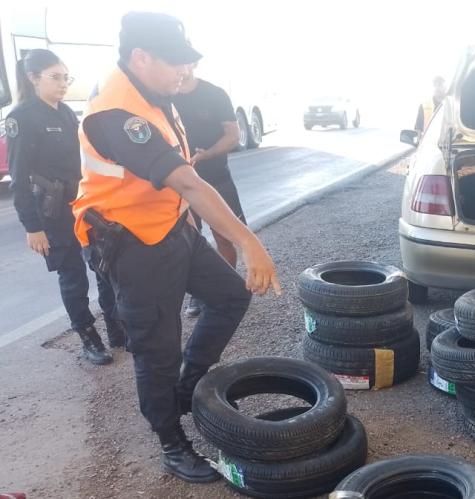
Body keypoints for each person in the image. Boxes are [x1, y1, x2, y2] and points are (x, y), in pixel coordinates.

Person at [72, 12, 281, 483]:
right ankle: (171, 442)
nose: (185, 72)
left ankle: (187, 387)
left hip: (171, 228)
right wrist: (247, 242)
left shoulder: (155, 93)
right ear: (140, 57)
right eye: (176, 64)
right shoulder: (116, 111)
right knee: (156, 349)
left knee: (230, 296)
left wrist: (197, 228)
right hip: (133, 247)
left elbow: (178, 176)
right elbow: (187, 181)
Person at [6, 48, 122, 365]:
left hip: (83, 206)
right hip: (54, 213)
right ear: (33, 78)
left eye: (65, 77)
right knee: (73, 278)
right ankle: (89, 338)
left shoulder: (65, 113)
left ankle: (117, 330)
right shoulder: (22, 117)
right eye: (55, 77)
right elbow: (18, 177)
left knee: (104, 266)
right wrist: (33, 227)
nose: (63, 84)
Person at [172, 63, 244, 317]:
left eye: (183, 61)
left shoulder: (214, 93)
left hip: (216, 177)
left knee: (225, 236)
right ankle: (200, 294)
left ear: (192, 63)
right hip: (179, 182)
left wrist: (206, 155)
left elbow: (233, 136)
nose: (179, 68)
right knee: (190, 240)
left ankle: (227, 289)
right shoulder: (164, 95)